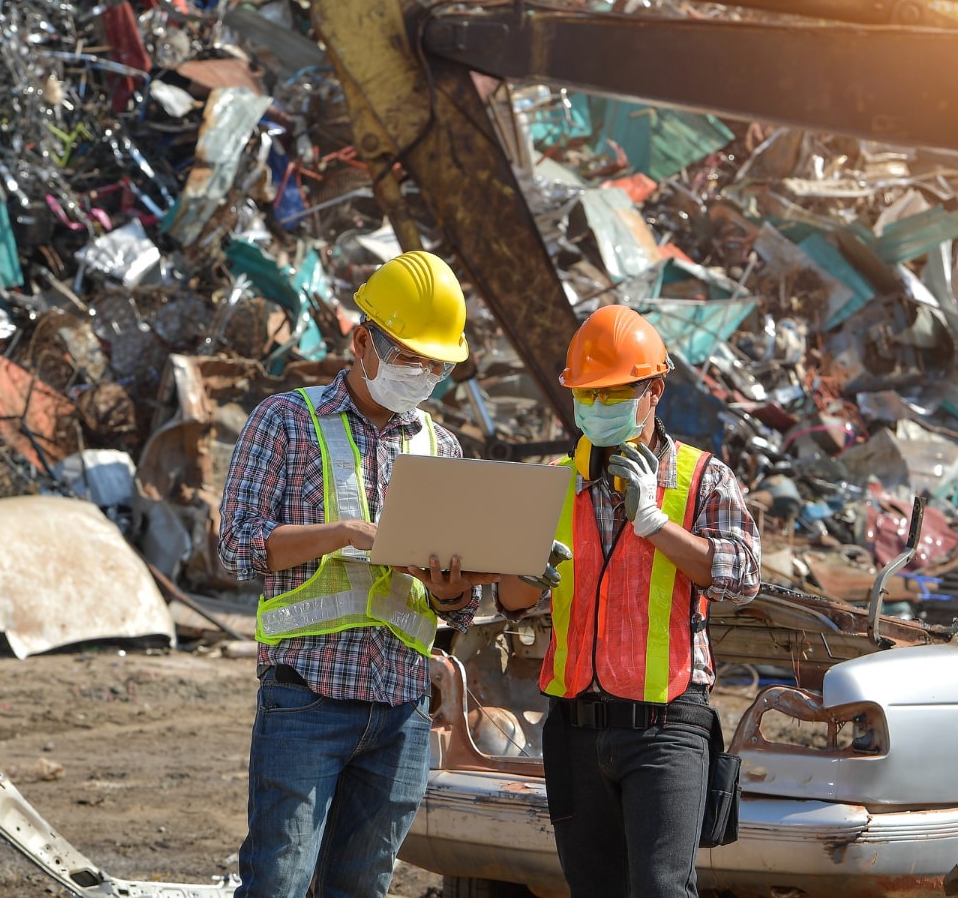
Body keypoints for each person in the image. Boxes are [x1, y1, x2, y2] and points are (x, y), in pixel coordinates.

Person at [219, 250, 495, 898]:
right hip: (307, 697)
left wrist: (455, 590)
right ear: (362, 340)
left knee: (362, 887)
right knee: (278, 883)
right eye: (407, 355)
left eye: (434, 363)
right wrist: (344, 535)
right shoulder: (286, 421)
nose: (420, 373)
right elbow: (236, 549)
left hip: (400, 705)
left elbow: (454, 610)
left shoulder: (441, 447)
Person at [496, 304, 762, 898]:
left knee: (662, 889)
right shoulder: (555, 481)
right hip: (575, 724)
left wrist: (655, 523)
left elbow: (742, 577)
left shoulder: (702, 479)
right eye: (587, 392)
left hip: (666, 723)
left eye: (617, 390)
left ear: (655, 391)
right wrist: (530, 575)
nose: (598, 405)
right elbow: (509, 602)